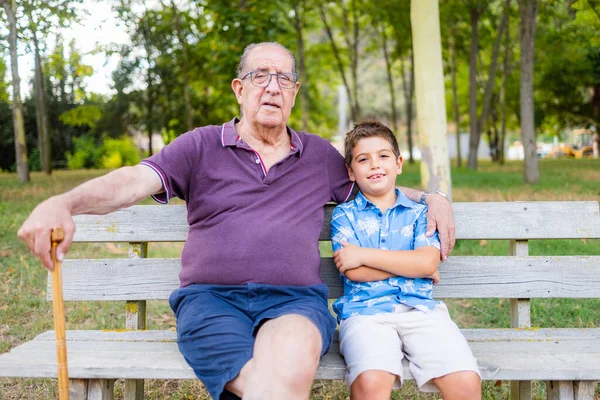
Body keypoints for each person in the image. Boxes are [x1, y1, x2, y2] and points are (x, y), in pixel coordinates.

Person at [17, 42, 455, 400]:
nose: (272, 87)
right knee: (276, 385)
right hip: (211, 302)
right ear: (239, 89)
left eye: (283, 78)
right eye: (260, 76)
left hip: (294, 301)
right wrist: (65, 201)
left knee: (287, 361)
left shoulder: (320, 157)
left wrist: (432, 197)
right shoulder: (200, 146)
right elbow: (132, 181)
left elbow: (376, 181)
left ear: (295, 91)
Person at [331, 121, 480, 400]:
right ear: (351, 172)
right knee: (370, 383)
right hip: (365, 313)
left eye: (383, 156)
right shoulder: (345, 215)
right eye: (363, 159)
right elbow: (354, 273)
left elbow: (426, 264)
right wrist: (409, 266)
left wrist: (362, 254)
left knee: (465, 382)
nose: (375, 165)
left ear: (398, 163)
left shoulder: (420, 213)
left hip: (420, 311)